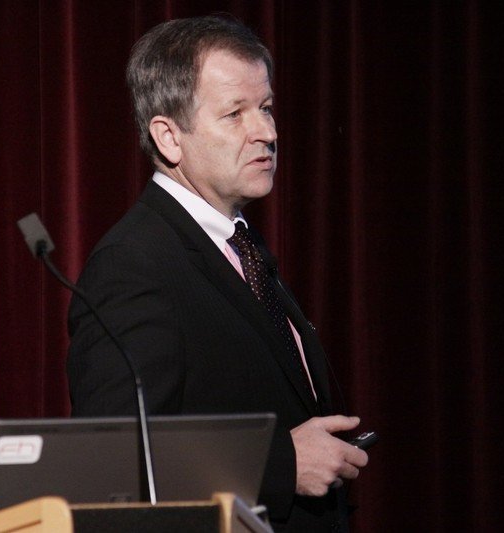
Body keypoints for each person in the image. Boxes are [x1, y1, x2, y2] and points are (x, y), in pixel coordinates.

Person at [67, 15, 369, 531]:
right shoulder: (133, 263)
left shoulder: (240, 244)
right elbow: (109, 464)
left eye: (266, 108)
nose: (267, 132)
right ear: (169, 137)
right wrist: (281, 465)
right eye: (235, 114)